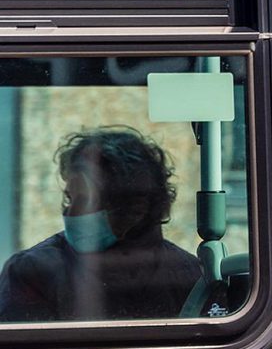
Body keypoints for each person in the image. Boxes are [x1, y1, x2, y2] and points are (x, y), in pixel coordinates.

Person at [0, 127, 203, 322]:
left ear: (135, 208)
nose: (70, 212)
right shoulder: (32, 272)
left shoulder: (190, 276)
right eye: (70, 198)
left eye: (86, 200)